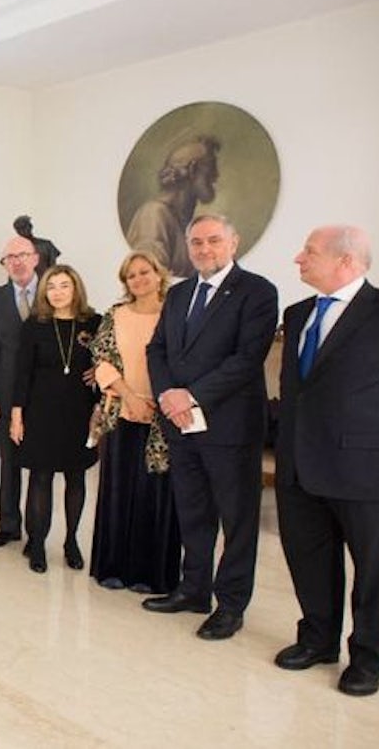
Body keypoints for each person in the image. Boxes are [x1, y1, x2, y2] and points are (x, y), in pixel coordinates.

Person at [143, 214, 278, 641]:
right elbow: (157, 348)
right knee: (194, 511)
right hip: (182, 424)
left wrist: (190, 395)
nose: (204, 249)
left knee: (237, 520)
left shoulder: (257, 292)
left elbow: (246, 358)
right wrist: (168, 395)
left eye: (214, 241)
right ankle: (194, 589)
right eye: (196, 242)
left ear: (233, 243)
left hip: (230, 426)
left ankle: (231, 604)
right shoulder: (180, 293)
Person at [275, 225, 379, 697]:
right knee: (309, 558)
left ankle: (369, 657)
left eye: (309, 251)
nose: (299, 258)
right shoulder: (297, 315)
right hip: (299, 463)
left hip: (361, 468)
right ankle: (317, 639)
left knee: (372, 569)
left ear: (345, 260)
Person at [88, 251, 181, 594]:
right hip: (122, 410)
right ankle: (113, 567)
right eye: (131, 275)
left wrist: (159, 400)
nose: (139, 279)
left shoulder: (176, 313)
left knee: (154, 493)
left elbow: (184, 360)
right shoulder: (116, 315)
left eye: (145, 272)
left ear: (159, 274)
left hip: (164, 414)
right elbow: (101, 359)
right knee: (118, 489)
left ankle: (149, 573)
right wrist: (128, 396)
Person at [10, 265, 101, 574]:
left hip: (80, 414)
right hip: (40, 413)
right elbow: (21, 374)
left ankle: (71, 541)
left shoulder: (94, 322)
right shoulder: (34, 325)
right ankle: (37, 543)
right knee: (41, 478)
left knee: (76, 478)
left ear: (76, 288)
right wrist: (16, 414)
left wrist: (100, 396)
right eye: (52, 287)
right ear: (44, 292)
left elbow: (107, 366)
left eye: (64, 285)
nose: (58, 292)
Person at [0, 236, 40, 548]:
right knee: (9, 460)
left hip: (45, 393)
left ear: (36, 258)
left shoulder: (53, 291)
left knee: (40, 465)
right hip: (5, 391)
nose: (16, 262)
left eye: (22, 255)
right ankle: (9, 524)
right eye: (9, 258)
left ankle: (36, 532)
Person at [125, 136, 221, 279]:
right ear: (193, 170)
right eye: (211, 168)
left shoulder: (186, 223)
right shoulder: (154, 216)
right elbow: (151, 284)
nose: (216, 176)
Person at [13, 214, 60, 279]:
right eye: (19, 228)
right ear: (17, 231)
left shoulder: (46, 245)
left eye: (25, 226)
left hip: (44, 283)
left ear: (30, 226)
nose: (23, 230)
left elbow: (53, 268)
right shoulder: (13, 248)